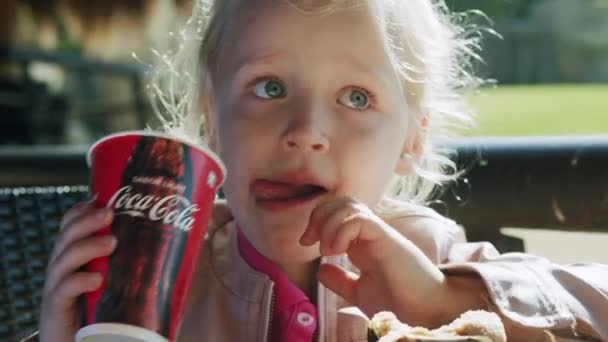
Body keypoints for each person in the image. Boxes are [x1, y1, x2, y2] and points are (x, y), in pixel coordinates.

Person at [34, 0, 608, 341]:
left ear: (413, 139)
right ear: (211, 118)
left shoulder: (426, 253)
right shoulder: (160, 282)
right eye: (270, 87)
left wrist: (443, 301)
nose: (306, 129)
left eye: (356, 98)